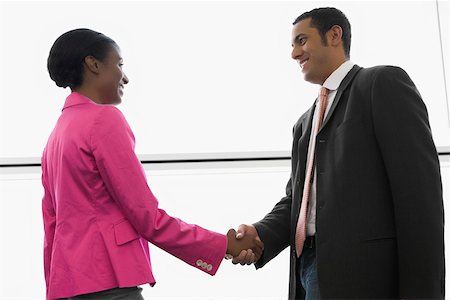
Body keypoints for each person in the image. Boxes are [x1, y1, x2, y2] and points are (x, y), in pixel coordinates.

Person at [231, 7, 445, 300]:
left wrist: (424, 292)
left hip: (365, 275)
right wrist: (260, 234)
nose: (294, 53)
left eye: (302, 40)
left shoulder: (381, 84)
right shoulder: (304, 123)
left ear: (334, 35)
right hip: (307, 270)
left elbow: (420, 196)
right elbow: (299, 201)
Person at [42, 28, 263, 300]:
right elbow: (145, 215)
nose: (125, 77)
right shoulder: (103, 120)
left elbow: (51, 224)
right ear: (93, 64)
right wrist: (221, 245)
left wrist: (55, 287)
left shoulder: (58, 133)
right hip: (109, 282)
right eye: (119, 65)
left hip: (72, 285)